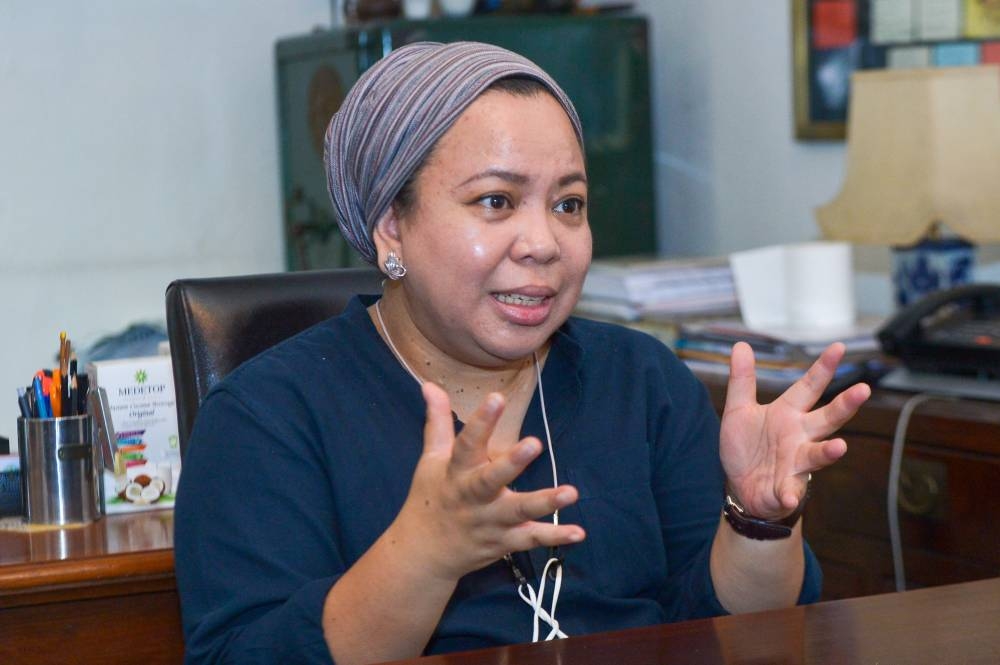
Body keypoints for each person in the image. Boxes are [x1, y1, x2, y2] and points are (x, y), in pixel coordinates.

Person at [174, 41, 870, 665]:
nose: (543, 241)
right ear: (392, 227)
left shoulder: (642, 380)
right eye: (497, 201)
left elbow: (730, 628)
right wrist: (422, 554)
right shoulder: (265, 417)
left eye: (568, 205)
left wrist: (757, 519)